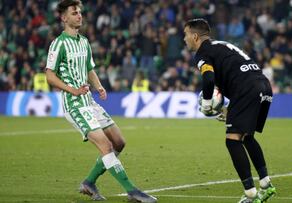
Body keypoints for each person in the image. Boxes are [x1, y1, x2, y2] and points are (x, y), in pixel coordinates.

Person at [45, 1, 157, 202]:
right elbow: (50, 76)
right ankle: (131, 190)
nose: (79, 16)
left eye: (80, 12)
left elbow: (89, 69)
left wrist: (98, 86)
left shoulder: (84, 41)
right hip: (74, 104)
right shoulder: (59, 43)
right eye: (74, 13)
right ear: (64, 18)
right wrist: (72, 90)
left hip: (89, 101)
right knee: (105, 146)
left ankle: (89, 182)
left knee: (119, 142)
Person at [184, 18, 276, 203]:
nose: (184, 39)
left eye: (185, 35)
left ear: (195, 36)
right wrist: (230, 107)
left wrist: (208, 104)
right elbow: (237, 72)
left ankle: (250, 194)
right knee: (247, 136)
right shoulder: (221, 45)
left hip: (246, 89)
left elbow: (209, 79)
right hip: (263, 85)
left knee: (232, 141)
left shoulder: (203, 53)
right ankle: (266, 185)